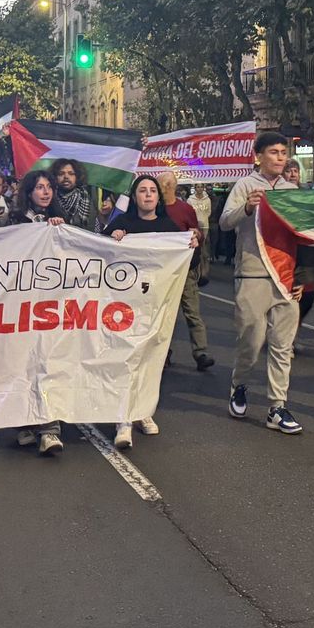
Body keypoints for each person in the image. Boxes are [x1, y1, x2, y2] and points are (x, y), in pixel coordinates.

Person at [222, 132, 306, 434]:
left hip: (285, 276)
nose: (280, 157)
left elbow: (304, 233)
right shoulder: (246, 185)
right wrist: (247, 207)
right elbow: (225, 222)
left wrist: (304, 276)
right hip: (253, 273)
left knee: (283, 345)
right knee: (252, 341)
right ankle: (239, 384)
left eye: (284, 152)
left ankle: (277, 406)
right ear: (259, 156)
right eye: (274, 152)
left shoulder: (291, 190)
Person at [106, 174, 198, 448]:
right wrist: (113, 238)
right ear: (134, 197)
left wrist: (191, 245)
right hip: (125, 306)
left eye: (152, 191)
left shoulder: (169, 227)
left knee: (150, 359)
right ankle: (123, 419)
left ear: (159, 197)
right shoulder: (122, 223)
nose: (147, 195)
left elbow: (185, 267)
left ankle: (143, 411)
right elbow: (99, 255)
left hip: (156, 305)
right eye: (142, 191)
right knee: (126, 359)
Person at [12, 170, 69, 455]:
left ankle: (49, 428)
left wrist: (59, 230)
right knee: (23, 365)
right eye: (39, 187)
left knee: (48, 365)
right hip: (20, 307)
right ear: (29, 192)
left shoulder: (62, 222)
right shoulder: (14, 221)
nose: (45, 192)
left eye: (49, 187)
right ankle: (24, 422)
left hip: (51, 306)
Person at [155, 171, 215, 374]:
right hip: (162, 272)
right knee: (163, 315)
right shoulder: (154, 209)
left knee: (192, 312)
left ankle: (201, 352)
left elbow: (196, 232)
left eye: (165, 185)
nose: (163, 188)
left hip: (184, 270)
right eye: (161, 185)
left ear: (173, 186)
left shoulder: (186, 209)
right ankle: (163, 353)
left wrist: (196, 236)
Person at [51, 158, 98, 231]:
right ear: (55, 177)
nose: (66, 177)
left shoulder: (88, 198)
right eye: (61, 173)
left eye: (71, 173)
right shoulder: (49, 199)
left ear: (77, 177)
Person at [187, 182, 213, 285]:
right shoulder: (190, 200)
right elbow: (189, 212)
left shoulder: (207, 200)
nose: (199, 188)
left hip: (205, 226)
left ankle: (204, 273)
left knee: (205, 251)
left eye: (201, 187)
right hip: (195, 226)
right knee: (196, 250)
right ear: (195, 188)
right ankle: (195, 273)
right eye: (197, 187)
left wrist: (203, 218)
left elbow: (209, 212)